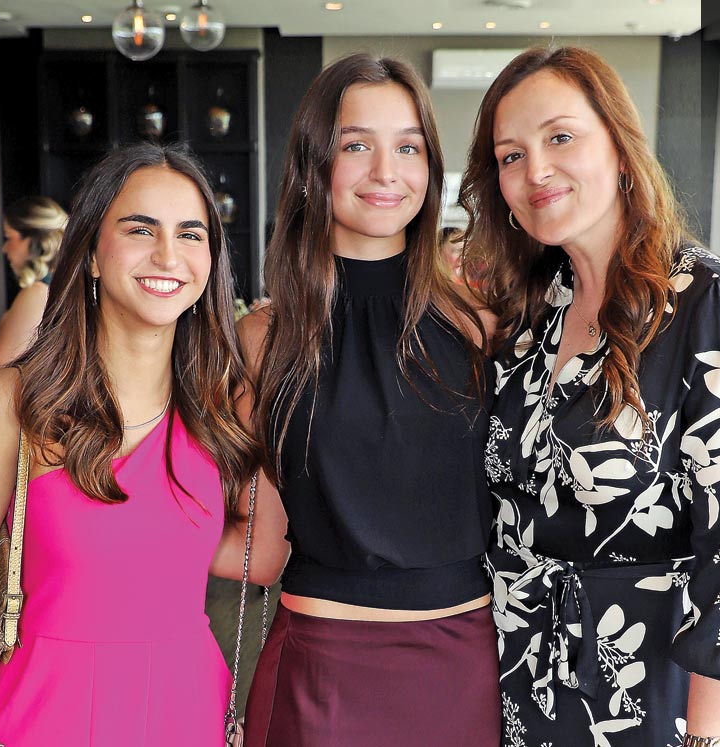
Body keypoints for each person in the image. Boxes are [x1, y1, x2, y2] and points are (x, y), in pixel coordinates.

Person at [458, 47, 720, 747]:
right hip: (516, 682)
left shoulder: (706, 302)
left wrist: (706, 737)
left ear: (619, 145)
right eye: (510, 155)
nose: (535, 170)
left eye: (560, 137)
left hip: (644, 694)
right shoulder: (530, 314)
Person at [0, 143, 282, 746]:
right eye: (141, 229)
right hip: (45, 724)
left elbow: (259, 554)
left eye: (191, 235)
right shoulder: (14, 405)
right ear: (90, 252)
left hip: (188, 718)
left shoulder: (223, 405)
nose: (168, 254)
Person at [241, 53, 500, 746]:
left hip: (461, 668)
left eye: (408, 147)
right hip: (319, 670)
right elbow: (258, 549)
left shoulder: (481, 325)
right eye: (357, 145)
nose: (387, 171)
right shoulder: (263, 337)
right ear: (313, 164)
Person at [0, 196, 67, 369]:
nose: (4, 248)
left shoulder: (37, 293)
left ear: (32, 239)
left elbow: (1, 367)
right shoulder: (64, 285)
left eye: (9, 237)